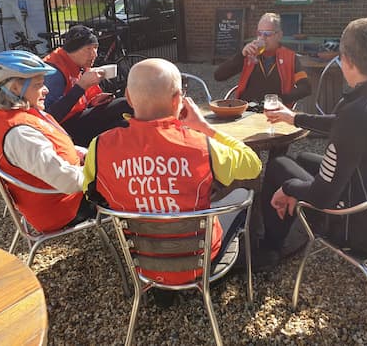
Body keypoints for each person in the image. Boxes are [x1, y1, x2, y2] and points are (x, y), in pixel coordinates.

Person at [254, 16, 367, 267]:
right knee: (303, 158)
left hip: (365, 232)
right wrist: (294, 118)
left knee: (280, 166)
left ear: (346, 60)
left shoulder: (357, 113)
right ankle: (281, 229)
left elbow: (323, 196)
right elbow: (346, 125)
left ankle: (270, 248)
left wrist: (289, 188)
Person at [83, 58, 262, 285]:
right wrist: (204, 128)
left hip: (142, 262)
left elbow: (92, 194)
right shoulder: (201, 145)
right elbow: (253, 165)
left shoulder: (99, 147)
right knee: (242, 195)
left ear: (127, 97)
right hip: (199, 260)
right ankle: (255, 262)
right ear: (178, 99)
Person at [0, 50, 95, 233]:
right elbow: (66, 180)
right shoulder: (20, 134)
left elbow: (56, 148)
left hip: (56, 196)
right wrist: (102, 172)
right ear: (15, 89)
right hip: (63, 207)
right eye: (39, 85)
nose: (46, 90)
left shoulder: (8, 117)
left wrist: (88, 154)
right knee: (129, 184)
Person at [43, 24, 131, 147]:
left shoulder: (79, 64)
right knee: (121, 124)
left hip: (78, 118)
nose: (94, 54)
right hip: (63, 130)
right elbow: (49, 117)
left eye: (95, 48)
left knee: (126, 106)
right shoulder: (54, 72)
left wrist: (93, 101)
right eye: (88, 49)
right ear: (73, 50)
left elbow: (80, 102)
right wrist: (81, 86)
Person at [214, 12, 312, 107]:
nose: (262, 38)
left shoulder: (289, 57)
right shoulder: (249, 54)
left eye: (267, 34)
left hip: (275, 112)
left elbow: (305, 88)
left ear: (279, 35)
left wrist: (282, 99)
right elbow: (218, 76)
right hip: (247, 111)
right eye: (259, 33)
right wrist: (241, 55)